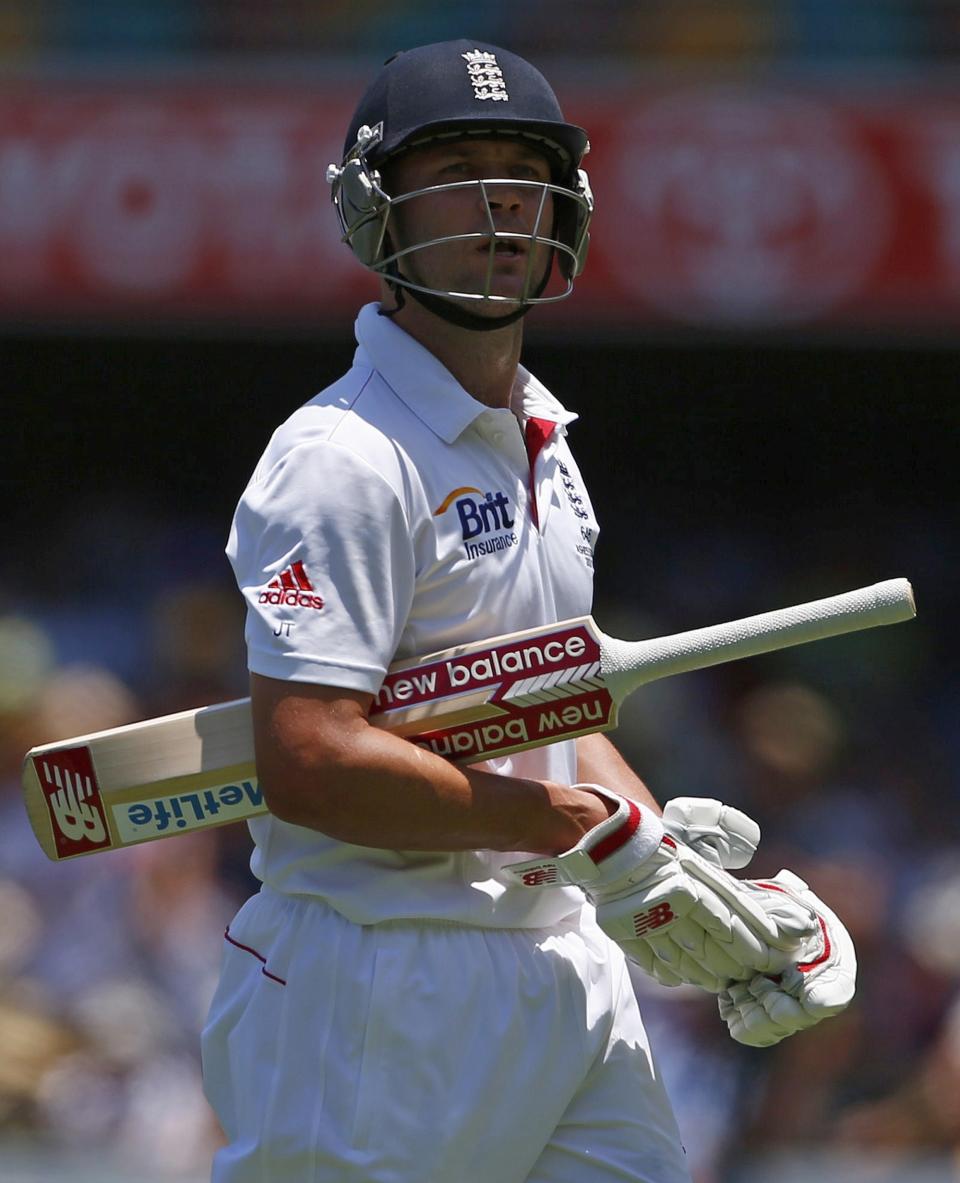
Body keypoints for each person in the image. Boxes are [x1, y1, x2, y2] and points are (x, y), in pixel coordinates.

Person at [201, 40, 855, 1183]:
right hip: (375, 978)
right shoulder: (341, 458)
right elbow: (309, 757)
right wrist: (580, 833)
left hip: (558, 958)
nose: (502, 197)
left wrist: (674, 873)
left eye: (524, 166)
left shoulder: (546, 442)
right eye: (457, 166)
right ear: (374, 208)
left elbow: (546, 714)